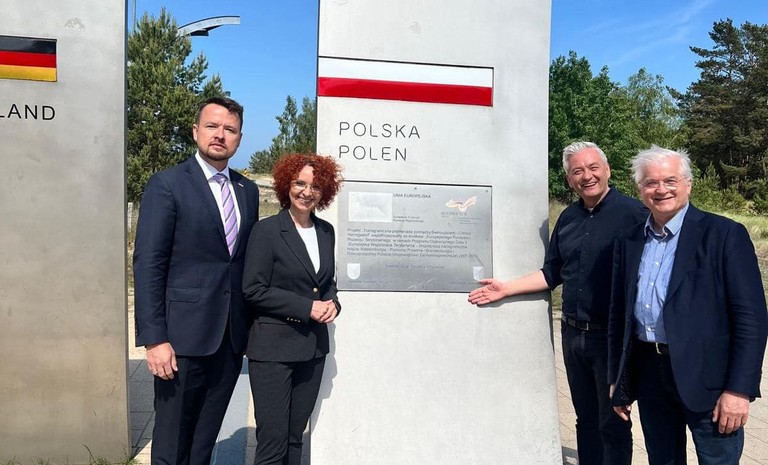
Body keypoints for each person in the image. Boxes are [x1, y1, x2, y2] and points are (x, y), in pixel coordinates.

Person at [468, 141, 645, 465]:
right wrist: (506, 288)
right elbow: (553, 272)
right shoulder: (568, 218)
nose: (587, 176)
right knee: (585, 420)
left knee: (613, 421)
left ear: (607, 170)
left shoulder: (635, 215)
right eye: (578, 171)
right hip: (573, 335)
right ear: (569, 180)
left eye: (593, 168)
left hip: (610, 338)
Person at [608, 145, 768, 465]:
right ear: (640, 189)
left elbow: (751, 318)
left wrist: (739, 390)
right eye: (651, 182)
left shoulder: (724, 234)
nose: (661, 189)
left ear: (688, 185)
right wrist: (619, 379)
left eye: (670, 180)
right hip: (650, 374)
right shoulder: (629, 240)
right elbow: (619, 314)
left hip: (710, 380)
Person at [133, 96, 260, 465]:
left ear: (239, 138)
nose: (220, 135)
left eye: (230, 129)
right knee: (172, 444)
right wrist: (154, 338)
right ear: (195, 131)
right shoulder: (168, 184)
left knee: (204, 442)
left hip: (229, 339)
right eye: (212, 126)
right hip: (180, 340)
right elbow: (149, 263)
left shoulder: (247, 191)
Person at [243, 153, 343, 465]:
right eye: (300, 183)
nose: (306, 192)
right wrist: (307, 307)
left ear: (324, 191)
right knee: (273, 441)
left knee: (295, 436)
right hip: (273, 350)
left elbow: (326, 283)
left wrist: (333, 303)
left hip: (312, 350)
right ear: (286, 185)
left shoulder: (326, 231)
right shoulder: (266, 231)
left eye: (315, 186)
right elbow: (253, 290)